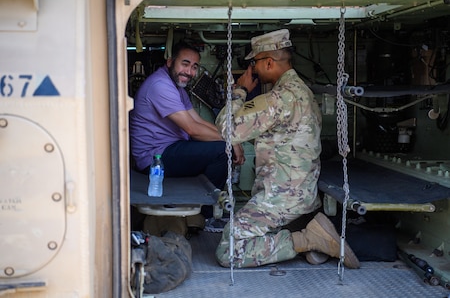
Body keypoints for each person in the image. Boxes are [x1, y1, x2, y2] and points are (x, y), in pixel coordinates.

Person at [214, 29, 360, 268]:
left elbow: (226, 129)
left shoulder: (278, 98)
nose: (254, 69)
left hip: (281, 199)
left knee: (229, 250)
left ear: (268, 62)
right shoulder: (303, 93)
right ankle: (308, 236)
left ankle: (308, 239)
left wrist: (239, 90)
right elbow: (280, 139)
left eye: (254, 63)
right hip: (303, 197)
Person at [129, 41, 245, 200]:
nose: (189, 71)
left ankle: (201, 206)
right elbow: (193, 129)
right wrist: (231, 141)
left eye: (194, 66)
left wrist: (233, 138)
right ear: (170, 62)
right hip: (154, 159)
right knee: (222, 151)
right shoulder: (160, 85)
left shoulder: (176, 86)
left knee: (221, 146)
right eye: (185, 64)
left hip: (170, 148)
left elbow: (199, 121)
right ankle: (208, 213)